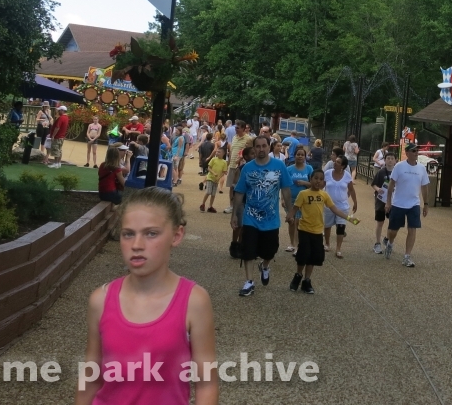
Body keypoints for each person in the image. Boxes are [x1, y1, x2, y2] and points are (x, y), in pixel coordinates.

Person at [75, 187, 218, 405]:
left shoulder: (193, 301)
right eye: (128, 234)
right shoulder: (100, 300)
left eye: (151, 233)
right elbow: (91, 377)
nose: (137, 245)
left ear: (176, 235)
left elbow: (206, 385)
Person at [231, 135, 293, 297]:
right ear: (254, 148)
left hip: (271, 219)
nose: (261, 149)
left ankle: (264, 266)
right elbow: (239, 193)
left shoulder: (279, 166)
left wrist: (291, 211)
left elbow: (286, 189)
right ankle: (249, 281)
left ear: (269, 147)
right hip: (250, 217)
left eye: (264, 146)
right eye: (257, 147)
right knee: (248, 250)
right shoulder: (248, 168)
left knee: (270, 250)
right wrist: (235, 215)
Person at [287, 169, 356, 294]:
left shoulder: (324, 195)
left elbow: (335, 209)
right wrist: (290, 217)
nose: (318, 181)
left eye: (320, 179)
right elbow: (295, 208)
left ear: (323, 182)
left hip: (317, 231)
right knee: (303, 255)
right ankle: (298, 275)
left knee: (313, 257)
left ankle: (307, 281)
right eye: (315, 178)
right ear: (311, 179)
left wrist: (349, 218)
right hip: (304, 230)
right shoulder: (303, 194)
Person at [384, 143, 429, 267]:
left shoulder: (421, 168)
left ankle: (407, 256)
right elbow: (391, 184)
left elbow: (424, 187)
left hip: (414, 204)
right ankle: (390, 243)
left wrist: (426, 204)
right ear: (407, 153)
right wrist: (388, 202)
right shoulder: (399, 166)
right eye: (414, 151)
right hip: (398, 203)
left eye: (417, 151)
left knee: (412, 229)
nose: (416, 153)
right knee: (393, 230)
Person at [323, 155, 358, 258]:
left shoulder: (347, 175)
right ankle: (327, 244)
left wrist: (355, 202)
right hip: (329, 205)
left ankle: (338, 249)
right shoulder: (327, 173)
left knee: (341, 227)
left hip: (342, 206)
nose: (335, 163)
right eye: (335, 161)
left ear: (342, 166)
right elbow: (321, 186)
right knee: (327, 226)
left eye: (338, 162)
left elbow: (351, 189)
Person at [284, 146, 312, 253]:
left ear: (305, 157)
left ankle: (298, 245)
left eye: (302, 155)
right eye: (298, 154)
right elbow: (285, 185)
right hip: (290, 200)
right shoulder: (288, 169)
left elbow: (313, 184)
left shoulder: (309, 169)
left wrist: (304, 183)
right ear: (294, 156)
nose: (300, 156)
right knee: (291, 222)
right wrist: (282, 199)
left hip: (303, 201)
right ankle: (292, 243)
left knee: (298, 222)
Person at [371, 152, 396, 253]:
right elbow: (374, 184)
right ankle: (377, 243)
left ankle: (387, 238)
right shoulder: (381, 172)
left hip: (393, 200)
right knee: (380, 222)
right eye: (388, 158)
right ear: (385, 160)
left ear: (395, 160)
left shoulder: (397, 172)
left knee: (392, 222)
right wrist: (378, 189)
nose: (390, 160)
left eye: (392, 158)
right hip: (381, 200)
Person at [199, 145, 227, 213]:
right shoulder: (213, 159)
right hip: (210, 178)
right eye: (217, 152)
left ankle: (210, 206)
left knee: (213, 194)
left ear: (223, 153)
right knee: (208, 191)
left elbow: (224, 172)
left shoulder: (224, 162)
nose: (217, 153)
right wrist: (213, 173)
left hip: (216, 180)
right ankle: (203, 204)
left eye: (219, 152)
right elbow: (209, 168)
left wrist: (219, 177)